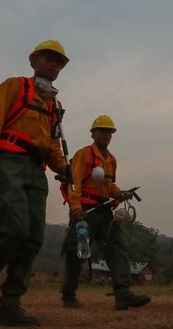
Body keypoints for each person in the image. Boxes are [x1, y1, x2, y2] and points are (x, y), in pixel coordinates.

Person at [0, 40, 70, 326]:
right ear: (34, 60)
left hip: (37, 169)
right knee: (13, 226)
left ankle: (10, 303)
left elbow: (52, 142)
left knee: (33, 236)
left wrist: (62, 167)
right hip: (8, 160)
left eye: (59, 62)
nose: (54, 65)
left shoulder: (53, 104)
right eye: (49, 59)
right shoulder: (14, 86)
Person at [60, 115, 151, 310]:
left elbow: (108, 186)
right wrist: (76, 209)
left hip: (104, 213)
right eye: (102, 131)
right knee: (77, 253)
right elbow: (74, 183)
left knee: (117, 248)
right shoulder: (83, 155)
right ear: (93, 133)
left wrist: (120, 193)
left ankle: (123, 295)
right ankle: (68, 295)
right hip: (84, 212)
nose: (106, 135)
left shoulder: (111, 160)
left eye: (109, 132)